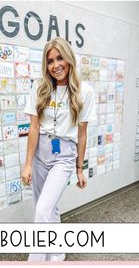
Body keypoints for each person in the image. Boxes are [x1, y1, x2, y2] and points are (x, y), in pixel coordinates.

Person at [22, 37, 96, 261]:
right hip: (40, 153)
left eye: (60, 57)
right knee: (48, 208)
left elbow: (82, 134)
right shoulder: (40, 87)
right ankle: (56, 255)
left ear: (69, 58)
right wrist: (27, 164)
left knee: (43, 210)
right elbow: (34, 127)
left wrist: (80, 169)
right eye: (50, 61)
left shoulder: (85, 91)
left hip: (64, 155)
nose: (56, 65)